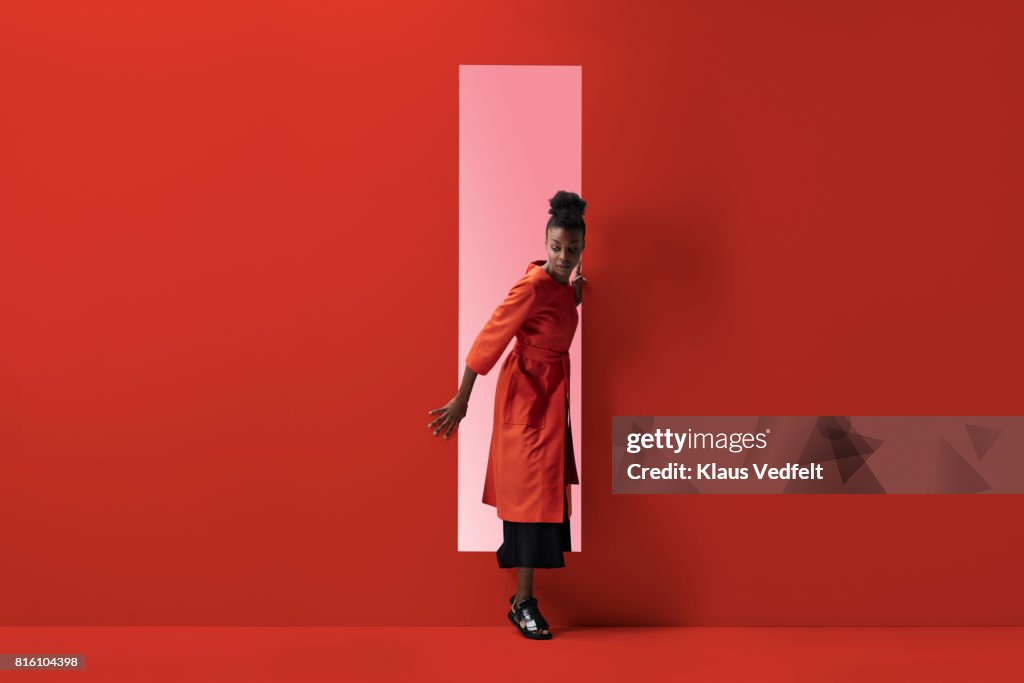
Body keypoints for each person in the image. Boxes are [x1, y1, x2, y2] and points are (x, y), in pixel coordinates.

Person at [428, 190, 587, 640]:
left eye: (571, 249)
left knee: (541, 496)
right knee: (529, 501)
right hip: (525, 397)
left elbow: (552, 317)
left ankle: (523, 599)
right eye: (555, 247)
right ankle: (523, 603)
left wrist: (573, 296)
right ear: (544, 241)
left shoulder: (560, 286)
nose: (562, 256)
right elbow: (490, 337)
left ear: (582, 249)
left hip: (551, 395)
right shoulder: (534, 284)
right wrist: (463, 399)